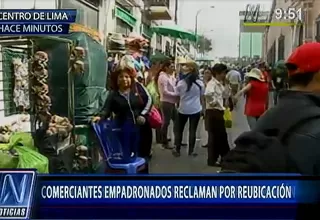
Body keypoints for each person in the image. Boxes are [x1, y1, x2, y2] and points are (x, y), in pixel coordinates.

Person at [95, 65, 153, 158]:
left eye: (127, 77)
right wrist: (100, 116)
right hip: (124, 130)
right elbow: (106, 109)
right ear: (116, 80)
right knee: (127, 155)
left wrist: (143, 115)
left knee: (143, 156)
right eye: (121, 77)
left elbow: (149, 100)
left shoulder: (137, 88)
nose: (124, 79)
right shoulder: (113, 95)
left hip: (142, 128)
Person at [172, 60, 204, 157]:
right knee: (192, 130)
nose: (183, 68)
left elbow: (177, 96)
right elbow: (202, 97)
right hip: (196, 109)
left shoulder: (181, 83)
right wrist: (203, 109)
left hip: (183, 109)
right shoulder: (200, 83)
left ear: (191, 69)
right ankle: (191, 151)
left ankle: (177, 149)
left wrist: (177, 105)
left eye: (185, 66)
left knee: (179, 130)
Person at [205, 63, 230, 166]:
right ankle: (214, 159)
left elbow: (225, 95)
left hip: (218, 112)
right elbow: (208, 94)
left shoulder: (219, 84)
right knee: (216, 137)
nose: (225, 75)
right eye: (223, 73)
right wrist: (215, 103)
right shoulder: (212, 84)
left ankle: (221, 157)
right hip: (213, 112)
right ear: (218, 73)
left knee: (220, 136)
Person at [157, 59, 177, 149]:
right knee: (166, 122)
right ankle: (164, 141)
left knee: (176, 120)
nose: (173, 68)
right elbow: (164, 91)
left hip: (172, 102)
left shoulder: (170, 76)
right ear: (166, 67)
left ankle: (177, 140)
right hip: (166, 101)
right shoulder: (163, 77)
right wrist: (175, 94)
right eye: (171, 67)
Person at [201, 68, 213, 148]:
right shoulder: (201, 83)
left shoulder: (212, 83)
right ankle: (208, 141)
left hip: (212, 106)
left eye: (208, 73)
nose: (206, 74)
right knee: (206, 124)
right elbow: (202, 96)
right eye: (205, 73)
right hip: (205, 105)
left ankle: (211, 141)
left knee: (210, 124)